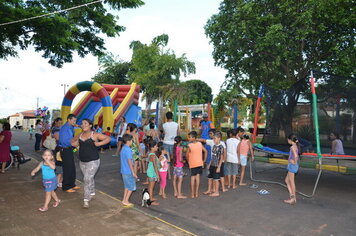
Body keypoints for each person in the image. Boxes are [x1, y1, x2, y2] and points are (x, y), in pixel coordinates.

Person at [71, 119, 111, 208]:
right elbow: (72, 141)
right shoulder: (80, 135)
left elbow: (108, 138)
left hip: (93, 161)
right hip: (82, 161)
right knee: (89, 178)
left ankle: (86, 199)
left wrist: (99, 144)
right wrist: (76, 144)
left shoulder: (95, 134)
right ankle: (92, 192)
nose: (83, 125)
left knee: (87, 179)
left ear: (90, 125)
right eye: (82, 123)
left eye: (85, 123)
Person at [58, 114, 79, 193]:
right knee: (67, 168)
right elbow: (64, 141)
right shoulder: (65, 128)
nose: (75, 122)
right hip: (65, 149)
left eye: (75, 121)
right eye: (73, 120)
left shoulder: (70, 126)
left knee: (72, 167)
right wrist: (75, 143)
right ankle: (66, 186)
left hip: (69, 149)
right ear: (69, 120)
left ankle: (72, 184)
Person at [187, 131, 207, 198]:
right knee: (198, 178)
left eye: (190, 137)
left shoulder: (189, 145)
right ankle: (196, 193)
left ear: (194, 138)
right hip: (199, 163)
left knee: (193, 178)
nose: (189, 138)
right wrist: (204, 161)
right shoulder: (200, 144)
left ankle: (192, 194)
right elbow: (205, 151)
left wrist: (188, 161)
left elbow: (187, 155)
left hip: (193, 163)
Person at [204, 131, 225, 197]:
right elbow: (213, 156)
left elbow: (221, 158)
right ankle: (209, 190)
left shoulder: (221, 147)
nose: (213, 140)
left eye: (215, 138)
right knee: (210, 178)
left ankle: (216, 192)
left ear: (219, 138)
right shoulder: (214, 146)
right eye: (213, 138)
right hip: (212, 164)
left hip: (217, 165)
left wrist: (219, 167)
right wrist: (209, 163)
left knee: (216, 179)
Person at [120, 133, 137, 207]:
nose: (132, 142)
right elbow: (130, 161)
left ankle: (124, 199)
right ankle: (126, 200)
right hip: (128, 171)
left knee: (126, 186)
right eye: (132, 141)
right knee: (131, 187)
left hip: (124, 170)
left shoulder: (123, 148)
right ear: (128, 141)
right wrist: (133, 172)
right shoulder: (128, 150)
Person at [163, 112, 179, 180]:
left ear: (166, 117)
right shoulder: (176, 124)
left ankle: (169, 175)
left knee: (167, 160)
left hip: (166, 142)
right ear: (172, 116)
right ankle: (176, 174)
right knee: (175, 159)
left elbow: (164, 133)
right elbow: (178, 134)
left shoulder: (164, 125)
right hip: (174, 143)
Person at [284, 134, 300, 205]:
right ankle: (292, 197)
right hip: (292, 166)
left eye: (288, 139)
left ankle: (293, 199)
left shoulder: (292, 147)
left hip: (292, 166)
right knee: (286, 180)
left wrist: (294, 162)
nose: (287, 141)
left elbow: (296, 156)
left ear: (290, 140)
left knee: (291, 182)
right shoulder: (295, 146)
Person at [147, 140, 160, 205]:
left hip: (150, 172)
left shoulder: (151, 154)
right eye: (156, 146)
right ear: (152, 147)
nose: (157, 147)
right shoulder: (153, 156)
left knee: (150, 186)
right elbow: (155, 166)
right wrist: (157, 176)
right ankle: (150, 200)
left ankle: (150, 197)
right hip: (152, 173)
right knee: (151, 187)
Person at [51, 118, 63, 188]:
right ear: (56, 122)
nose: (60, 124)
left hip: (57, 148)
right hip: (58, 148)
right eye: (59, 123)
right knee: (59, 164)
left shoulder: (56, 128)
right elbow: (58, 138)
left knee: (58, 164)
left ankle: (57, 181)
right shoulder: (55, 129)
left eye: (61, 123)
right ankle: (58, 182)